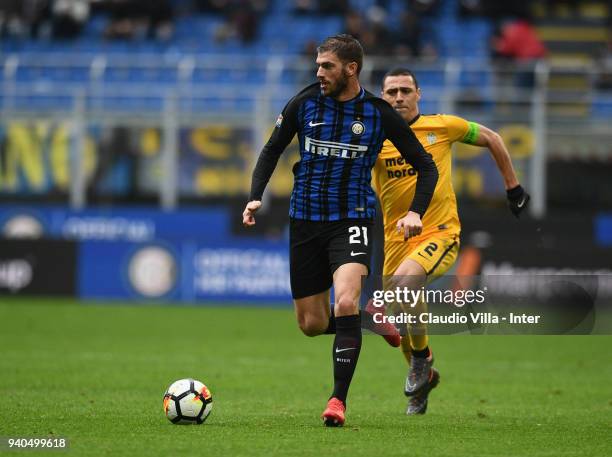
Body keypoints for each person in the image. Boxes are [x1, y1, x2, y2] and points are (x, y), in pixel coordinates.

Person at [242, 36, 439, 427]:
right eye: (318, 65)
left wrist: (416, 211)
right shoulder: (304, 103)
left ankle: (337, 401)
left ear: (351, 69)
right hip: (304, 222)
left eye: (327, 66)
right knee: (311, 324)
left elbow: (426, 166)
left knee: (346, 300)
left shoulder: (379, 113)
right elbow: (271, 149)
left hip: (352, 219)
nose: (319, 72)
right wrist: (255, 196)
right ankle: (367, 321)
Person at [370, 68, 530, 415]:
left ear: (418, 94)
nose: (399, 97)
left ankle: (423, 359)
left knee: (408, 281)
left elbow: (492, 138)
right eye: (392, 92)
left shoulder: (442, 126)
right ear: (382, 97)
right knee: (399, 322)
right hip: (395, 241)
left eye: (405, 90)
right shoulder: (374, 137)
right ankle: (423, 380)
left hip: (439, 231)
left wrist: (513, 187)